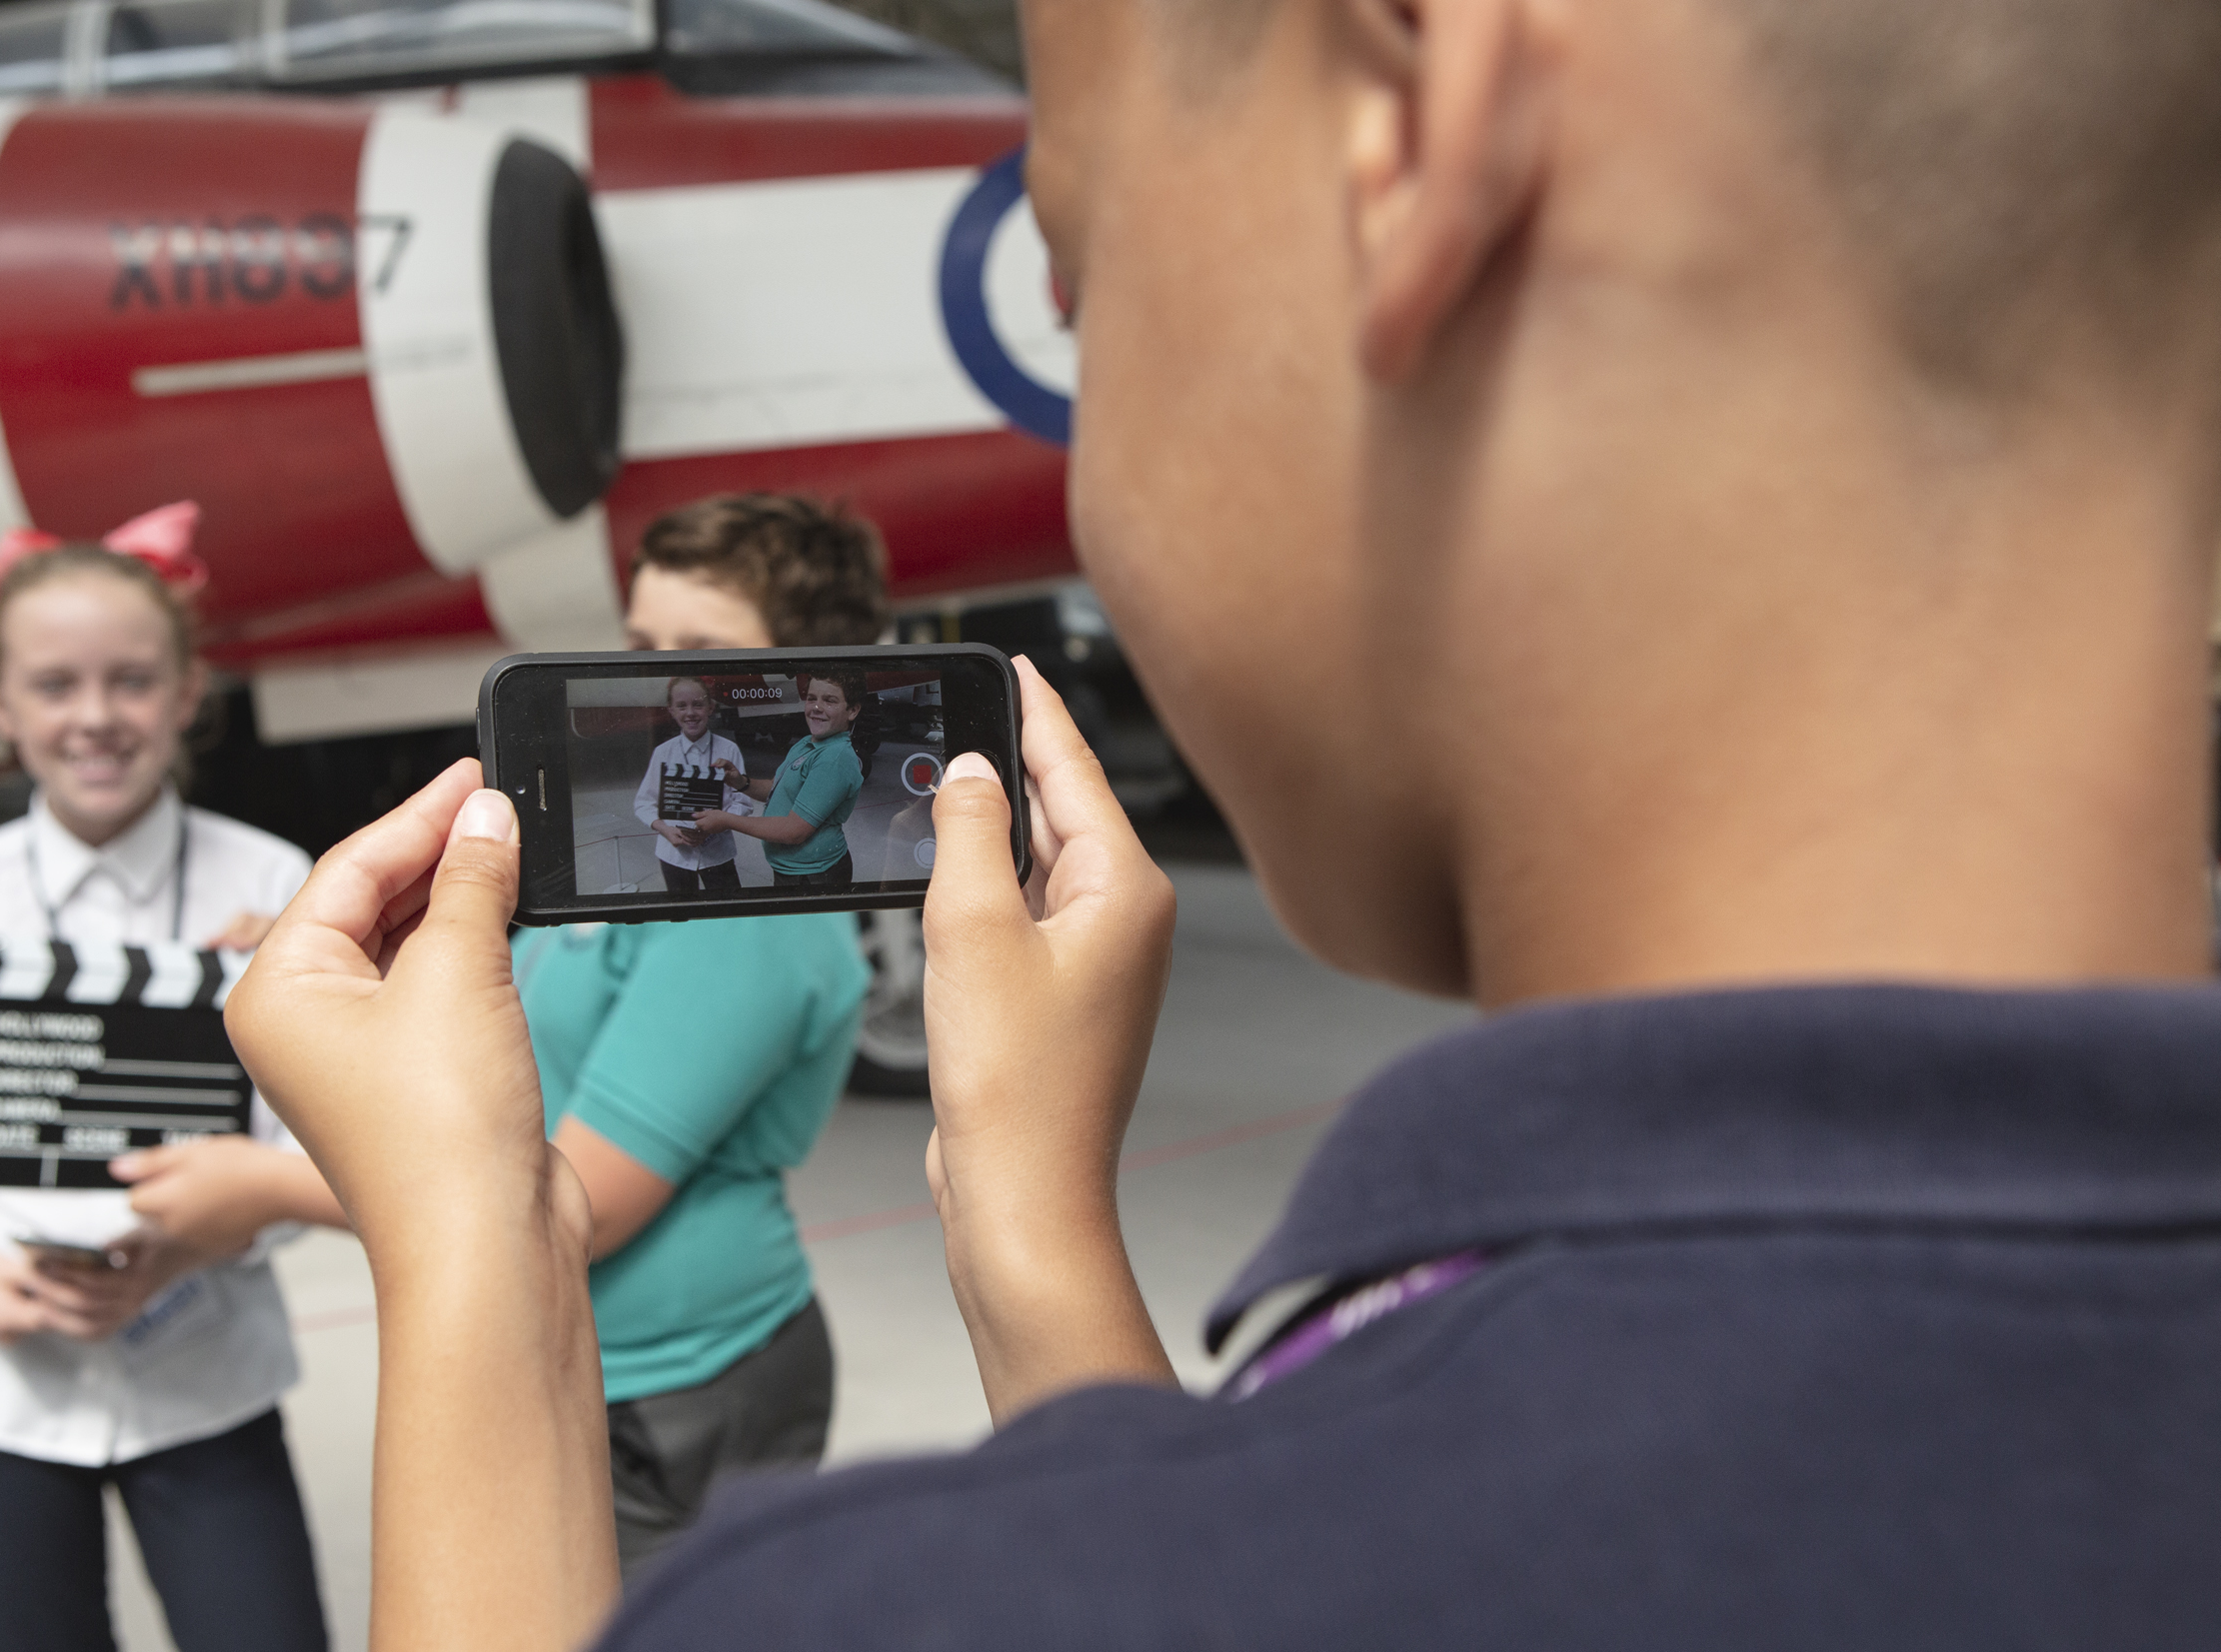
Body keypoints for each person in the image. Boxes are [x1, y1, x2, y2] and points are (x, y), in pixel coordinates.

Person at [224, 0, 2221, 1645]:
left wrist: (471, 1237)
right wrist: (1031, 1239)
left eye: (1077, 285)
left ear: (1409, 131)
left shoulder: (877, 1609)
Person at [0, 508, 343, 1652]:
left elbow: (323, 1142)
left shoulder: (273, 883)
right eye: (54, 685)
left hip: (209, 1377)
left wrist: (207, 1236)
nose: (95, 717)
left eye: (132, 681)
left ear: (191, 692)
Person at [512, 494, 885, 1573]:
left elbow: (578, 1206)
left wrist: (256, 1194)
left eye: (703, 655)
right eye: (640, 648)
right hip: (594, 1364)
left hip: (677, 1393)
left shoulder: (748, 918)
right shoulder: (640, 850)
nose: (658, 681)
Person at [696, 670, 869, 887]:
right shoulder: (808, 743)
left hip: (814, 876)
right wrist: (740, 782)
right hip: (792, 869)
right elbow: (779, 788)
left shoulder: (834, 759)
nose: (816, 707)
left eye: (829, 701)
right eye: (811, 698)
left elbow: (794, 831)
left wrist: (725, 820)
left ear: (852, 710)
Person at [630, 676, 755, 892]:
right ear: (671, 711)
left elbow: (742, 801)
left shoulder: (728, 749)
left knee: (727, 911)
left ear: (710, 708)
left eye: (698, 704)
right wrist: (665, 830)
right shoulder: (663, 752)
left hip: (718, 852)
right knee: (683, 912)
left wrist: (715, 827)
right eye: (681, 706)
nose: (690, 713)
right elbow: (644, 803)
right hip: (674, 854)